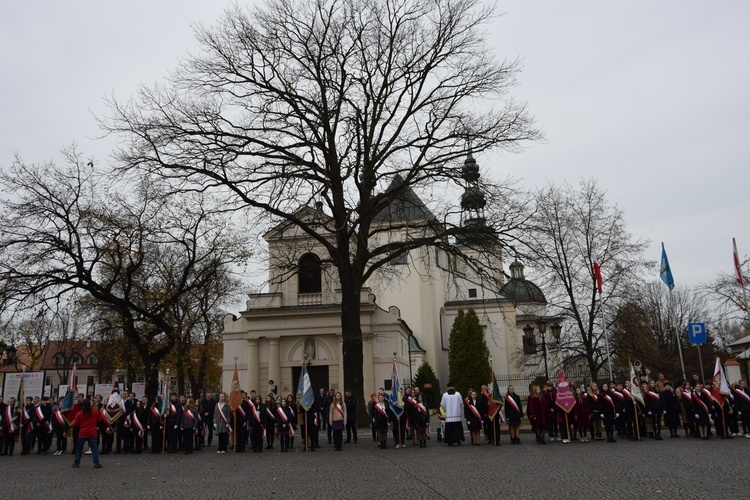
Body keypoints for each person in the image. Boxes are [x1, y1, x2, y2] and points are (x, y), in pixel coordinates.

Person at [71, 399, 102, 468]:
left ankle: (76, 463)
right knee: (94, 449)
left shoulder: (79, 414)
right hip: (92, 432)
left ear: (83, 406)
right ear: (90, 404)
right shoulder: (95, 412)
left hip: (83, 433)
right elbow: (100, 419)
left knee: (79, 448)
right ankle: (96, 462)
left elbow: (75, 424)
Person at [440, 381, 463, 446]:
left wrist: (446, 410)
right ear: (454, 387)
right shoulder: (458, 394)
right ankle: (458, 440)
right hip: (457, 416)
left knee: (449, 430)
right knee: (457, 429)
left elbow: (443, 404)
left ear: (447, 388)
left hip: (449, 417)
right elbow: (461, 403)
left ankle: (450, 441)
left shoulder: (445, 395)